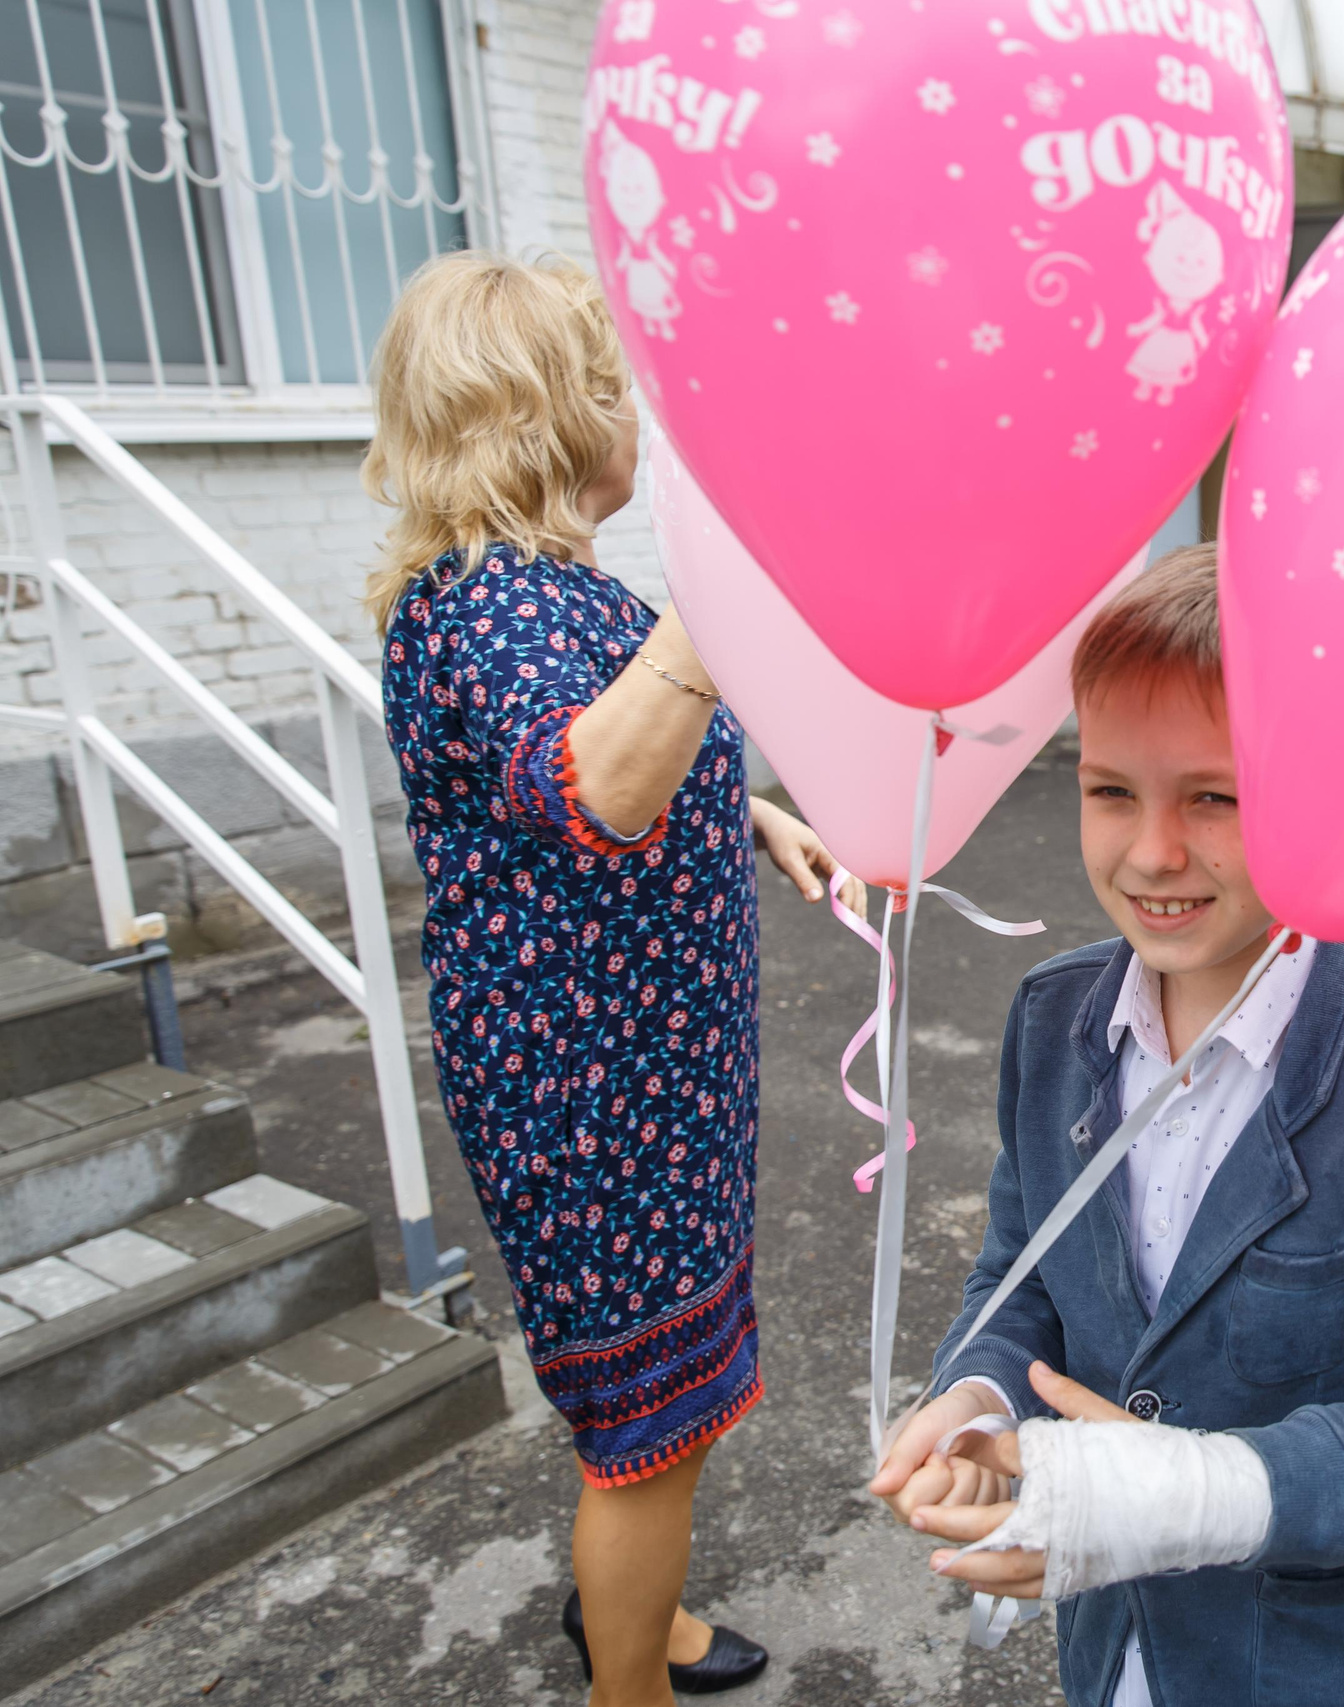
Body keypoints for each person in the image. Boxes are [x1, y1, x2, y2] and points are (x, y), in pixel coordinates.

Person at [868, 546, 1344, 1707]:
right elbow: (1020, 1272)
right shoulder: (1053, 1019)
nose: (1152, 852)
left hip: (1310, 1672)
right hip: (1113, 1654)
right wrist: (980, 1397)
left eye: (1214, 796)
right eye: (1110, 791)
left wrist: (1186, 1497)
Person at [365, 252, 846, 1707]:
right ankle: (623, 1682)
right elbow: (590, 785)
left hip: (654, 1067)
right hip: (587, 1093)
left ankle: (637, 1616)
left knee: (668, 1397)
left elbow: (620, 752)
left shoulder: (560, 590)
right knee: (645, 1429)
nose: (641, 416)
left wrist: (748, 813)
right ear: (553, 414)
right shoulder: (483, 603)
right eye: (617, 389)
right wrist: (719, 588)